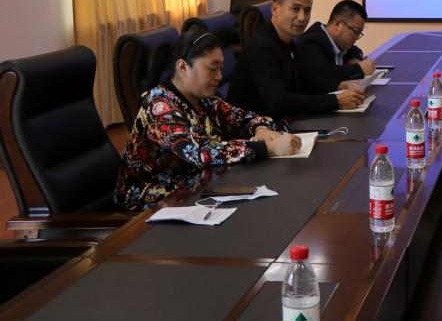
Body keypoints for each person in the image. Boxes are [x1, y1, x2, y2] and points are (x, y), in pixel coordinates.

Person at [115, 28, 302, 210]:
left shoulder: (204, 99)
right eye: (212, 69)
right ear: (183, 67)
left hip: (197, 187)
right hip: (151, 204)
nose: (219, 76)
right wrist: (267, 148)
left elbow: (243, 117)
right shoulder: (160, 108)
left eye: (221, 69)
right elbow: (200, 152)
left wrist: (261, 129)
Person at [228, 0, 365, 118]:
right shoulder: (262, 47)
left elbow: (303, 82)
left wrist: (339, 86)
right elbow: (280, 103)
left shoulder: (288, 41)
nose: (302, 17)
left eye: (307, 10)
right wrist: (336, 101)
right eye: (295, 9)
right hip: (253, 127)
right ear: (275, 9)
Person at [297, 0, 375, 93]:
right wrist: (359, 69)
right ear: (337, 24)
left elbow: (355, 50)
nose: (357, 37)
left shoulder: (336, 40)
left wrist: (354, 58)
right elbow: (322, 75)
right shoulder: (311, 43)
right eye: (355, 31)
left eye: (359, 33)